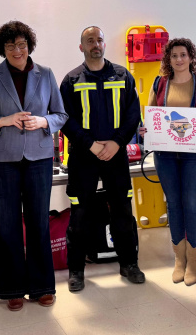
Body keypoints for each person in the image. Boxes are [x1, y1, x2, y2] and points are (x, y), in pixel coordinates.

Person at [0, 20, 68, 311]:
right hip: (2, 160)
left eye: (22, 44)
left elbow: (61, 115)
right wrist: (4, 120)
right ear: (2, 49)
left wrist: (44, 121)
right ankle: (11, 289)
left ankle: (42, 287)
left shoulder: (46, 74)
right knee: (7, 224)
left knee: (39, 221)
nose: (17, 50)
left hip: (39, 158)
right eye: (11, 45)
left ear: (29, 46)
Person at [59, 26, 144, 292]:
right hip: (84, 156)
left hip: (116, 154)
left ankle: (129, 264)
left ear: (105, 44)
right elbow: (65, 119)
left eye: (99, 40)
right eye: (90, 41)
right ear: (81, 47)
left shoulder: (123, 75)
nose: (95, 44)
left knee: (122, 211)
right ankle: (76, 271)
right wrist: (91, 145)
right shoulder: (71, 80)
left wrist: (117, 142)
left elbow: (133, 114)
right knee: (80, 213)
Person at [143, 38, 196, 286]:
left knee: (192, 204)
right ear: (169, 59)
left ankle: (193, 261)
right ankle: (180, 259)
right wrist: (146, 130)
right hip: (165, 154)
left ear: (191, 57)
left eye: (183, 55)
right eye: (174, 55)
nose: (179, 59)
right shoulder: (159, 83)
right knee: (174, 204)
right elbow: (151, 116)